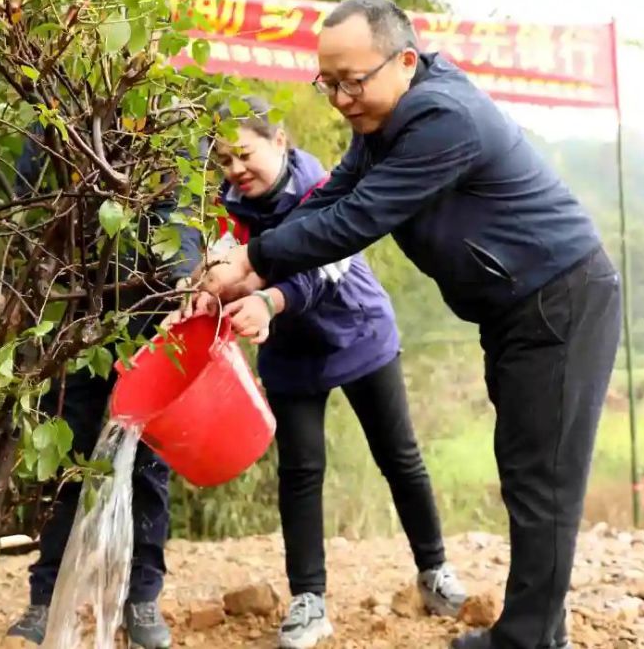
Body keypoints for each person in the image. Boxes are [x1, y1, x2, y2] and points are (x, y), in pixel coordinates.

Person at [197, 0, 622, 649]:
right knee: (527, 468)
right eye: (328, 82)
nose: (339, 98)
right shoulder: (386, 121)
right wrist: (250, 269)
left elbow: (361, 217)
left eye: (351, 81)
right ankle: (541, 631)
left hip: (559, 299)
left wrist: (257, 256)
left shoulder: (440, 119)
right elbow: (333, 194)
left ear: (403, 60)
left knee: (542, 476)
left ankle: (527, 639)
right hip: (518, 306)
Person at [171, 96, 466, 649]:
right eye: (223, 162)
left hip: (358, 334)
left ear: (278, 142)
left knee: (399, 456)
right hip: (290, 350)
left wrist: (269, 300)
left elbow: (323, 266)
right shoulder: (227, 207)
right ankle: (309, 600)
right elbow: (221, 267)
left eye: (244, 154)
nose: (236, 170)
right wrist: (206, 295)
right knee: (301, 471)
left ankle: (435, 571)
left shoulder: (324, 186)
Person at [6, 127, 203, 649]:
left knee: (147, 465)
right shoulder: (57, 113)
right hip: (72, 314)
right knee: (64, 454)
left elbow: (185, 211)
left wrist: (182, 275)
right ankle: (46, 599)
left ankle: (141, 598)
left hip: (149, 314)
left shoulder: (165, 110)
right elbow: (27, 201)